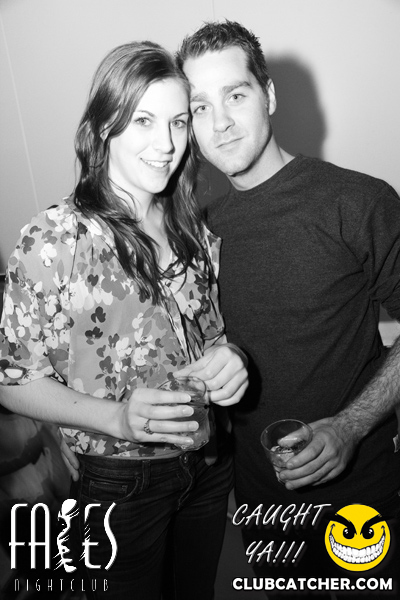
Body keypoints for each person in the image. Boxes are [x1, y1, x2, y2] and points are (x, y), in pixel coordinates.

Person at [0, 40, 248, 600]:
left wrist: (230, 359)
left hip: (210, 466)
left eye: (179, 122)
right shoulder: (53, 239)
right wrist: (114, 418)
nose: (166, 144)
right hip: (119, 484)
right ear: (104, 127)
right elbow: (12, 381)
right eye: (143, 121)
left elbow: (210, 337)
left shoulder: (194, 227)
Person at [174, 20, 400, 597]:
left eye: (236, 95)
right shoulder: (200, 232)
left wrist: (350, 426)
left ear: (269, 96)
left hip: (359, 503)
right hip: (262, 510)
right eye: (200, 107)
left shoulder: (359, 201)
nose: (220, 123)